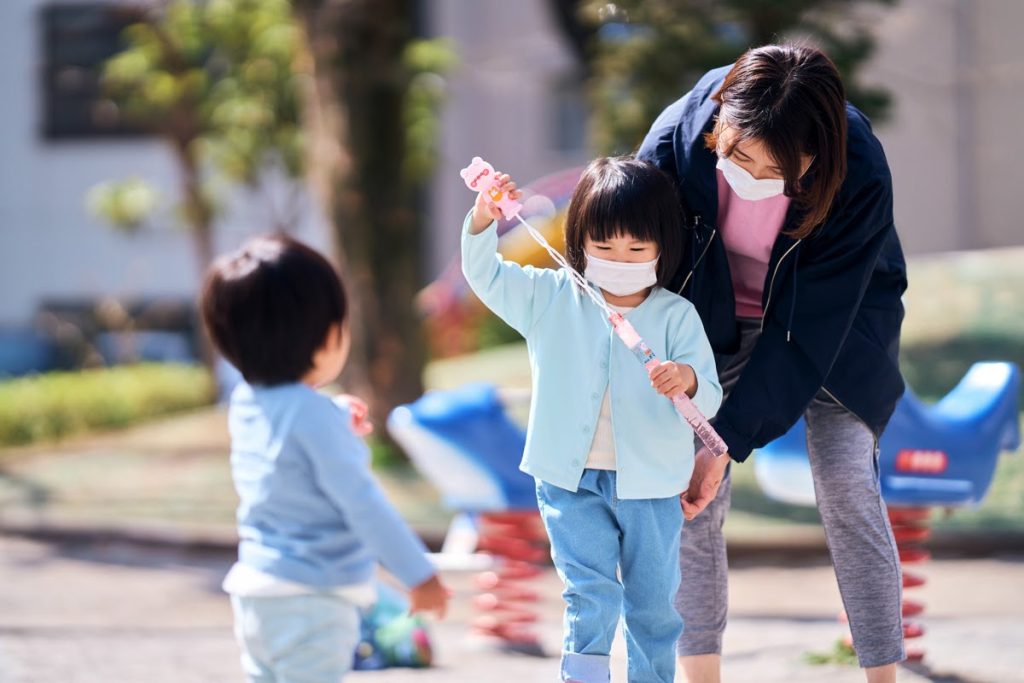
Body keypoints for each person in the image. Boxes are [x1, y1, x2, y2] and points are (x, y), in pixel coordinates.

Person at [637, 43, 908, 683]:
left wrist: (726, 439)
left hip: (835, 331)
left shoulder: (861, 166)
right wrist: (699, 433)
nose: (746, 173)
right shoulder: (683, 130)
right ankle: (701, 673)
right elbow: (629, 233)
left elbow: (807, 332)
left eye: (771, 168)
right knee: (689, 491)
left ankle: (882, 675)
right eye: (734, 153)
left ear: (816, 157)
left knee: (846, 483)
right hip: (712, 319)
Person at [462, 156, 723, 683]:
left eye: (636, 247)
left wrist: (688, 380)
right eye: (604, 246)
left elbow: (711, 397)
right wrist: (484, 217)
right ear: (579, 242)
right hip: (568, 480)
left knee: (653, 606)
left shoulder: (677, 315)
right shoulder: (550, 296)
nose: (619, 258)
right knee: (591, 594)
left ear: (662, 249)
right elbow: (484, 274)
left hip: (652, 486)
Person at [200, 235, 449, 683]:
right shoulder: (313, 418)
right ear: (326, 335)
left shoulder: (245, 402)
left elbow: (288, 433)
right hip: (312, 599)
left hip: (255, 593)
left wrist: (333, 414)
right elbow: (362, 504)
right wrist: (418, 573)